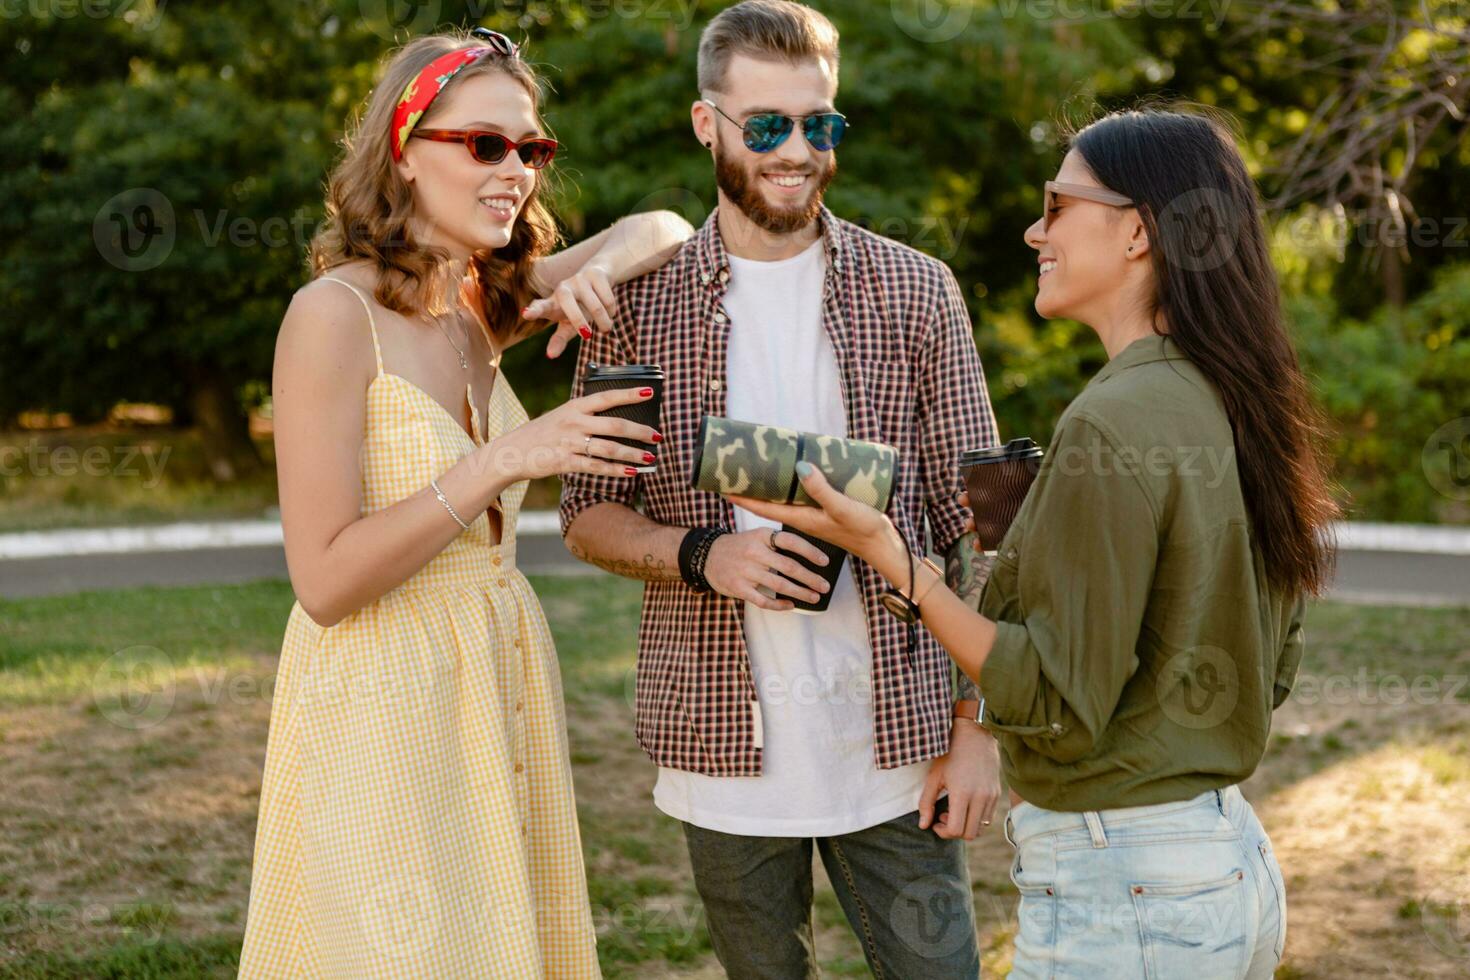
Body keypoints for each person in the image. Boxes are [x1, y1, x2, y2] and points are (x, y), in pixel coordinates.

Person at [730, 106, 1340, 979]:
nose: (1033, 229)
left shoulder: (1112, 419)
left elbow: (1054, 700)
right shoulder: (1238, 396)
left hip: (1125, 893)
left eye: (1056, 204)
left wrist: (886, 553)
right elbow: (1267, 669)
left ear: (1137, 232)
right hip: (1226, 867)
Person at [559, 2, 1000, 975]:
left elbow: (982, 523)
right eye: (767, 125)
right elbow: (587, 510)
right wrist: (704, 554)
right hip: (723, 755)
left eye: (819, 123)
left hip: (899, 745)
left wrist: (978, 730)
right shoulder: (634, 307)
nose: (797, 149)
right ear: (705, 122)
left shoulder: (918, 291)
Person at [239, 27, 690, 978]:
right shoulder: (332, 316)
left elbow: (668, 228)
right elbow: (321, 580)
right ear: (404, 152)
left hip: (492, 675)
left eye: (532, 149)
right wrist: (503, 460)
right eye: (484, 145)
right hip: (378, 693)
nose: (516, 171)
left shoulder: (480, 305)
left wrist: (598, 277)